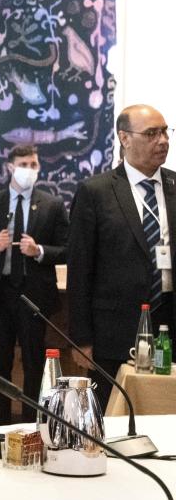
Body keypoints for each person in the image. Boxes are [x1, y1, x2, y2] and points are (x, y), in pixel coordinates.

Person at [69, 104, 176, 411]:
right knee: (113, 419)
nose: (163, 140)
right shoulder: (96, 191)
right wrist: (82, 338)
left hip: (168, 326)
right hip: (113, 333)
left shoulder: (173, 186)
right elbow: (80, 269)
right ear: (125, 138)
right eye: (152, 133)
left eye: (166, 131)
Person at [0, 144, 68, 424]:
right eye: (24, 164)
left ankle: (32, 428)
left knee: (34, 365)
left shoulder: (52, 205)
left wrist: (39, 251)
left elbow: (67, 249)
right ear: (10, 167)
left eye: (34, 165)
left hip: (34, 297)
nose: (29, 170)